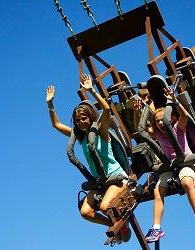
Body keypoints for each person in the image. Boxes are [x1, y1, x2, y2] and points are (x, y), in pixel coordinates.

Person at [46, 74, 131, 242]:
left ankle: (122, 224)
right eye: (77, 120)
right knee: (85, 212)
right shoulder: (81, 138)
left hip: (116, 177)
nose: (80, 122)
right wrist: (50, 103)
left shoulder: (101, 131)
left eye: (83, 118)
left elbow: (106, 110)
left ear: (90, 117)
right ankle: (114, 224)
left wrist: (92, 90)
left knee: (105, 206)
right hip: (100, 181)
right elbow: (56, 125)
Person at [145, 87, 195, 243]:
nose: (160, 123)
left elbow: (185, 115)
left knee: (186, 182)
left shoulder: (177, 127)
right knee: (158, 191)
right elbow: (141, 128)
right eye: (157, 121)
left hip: (186, 161)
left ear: (171, 118)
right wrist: (146, 105)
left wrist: (174, 100)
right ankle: (157, 228)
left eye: (162, 119)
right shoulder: (158, 133)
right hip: (171, 166)